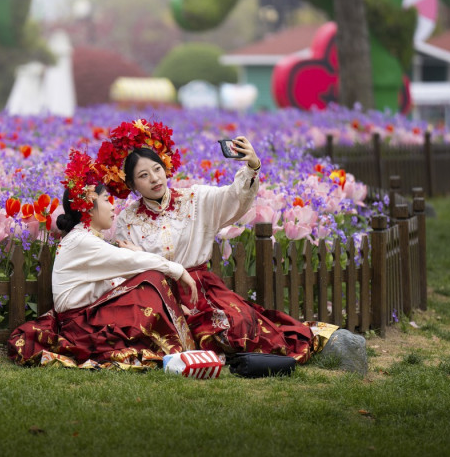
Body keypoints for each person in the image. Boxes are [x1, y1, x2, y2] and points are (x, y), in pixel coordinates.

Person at [96, 119, 315, 363]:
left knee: (238, 325)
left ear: (165, 167)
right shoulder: (128, 219)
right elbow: (127, 268)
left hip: (200, 289)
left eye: (157, 169)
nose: (155, 179)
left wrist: (252, 165)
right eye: (144, 176)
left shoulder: (195, 198)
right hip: (157, 294)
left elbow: (234, 197)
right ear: (133, 185)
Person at [8, 149, 199, 369]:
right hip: (80, 326)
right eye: (106, 200)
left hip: (87, 316)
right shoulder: (82, 241)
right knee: (152, 279)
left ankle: (175, 347)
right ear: (89, 205)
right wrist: (179, 270)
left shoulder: (84, 238)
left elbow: (120, 275)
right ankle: (178, 350)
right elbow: (132, 264)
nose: (113, 207)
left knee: (149, 280)